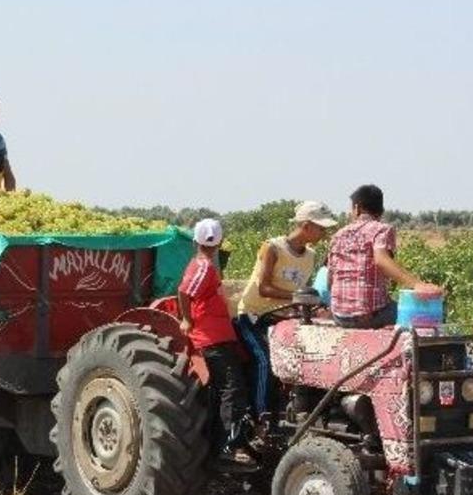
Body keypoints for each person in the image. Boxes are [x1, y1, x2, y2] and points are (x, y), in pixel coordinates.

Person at [236, 201, 338, 419]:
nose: (323, 232)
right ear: (306, 226)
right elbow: (264, 288)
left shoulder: (310, 256)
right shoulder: (272, 247)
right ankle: (262, 417)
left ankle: (303, 412)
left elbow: (303, 289)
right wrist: (297, 298)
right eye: (320, 227)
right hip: (256, 316)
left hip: (285, 319)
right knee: (265, 360)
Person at [179, 219, 256, 471]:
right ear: (220, 242)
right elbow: (184, 292)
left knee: (225, 388)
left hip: (218, 335)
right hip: (210, 337)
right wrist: (187, 320)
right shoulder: (204, 266)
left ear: (195, 241)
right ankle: (228, 448)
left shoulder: (204, 265)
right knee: (232, 389)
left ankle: (227, 442)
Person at [327, 184, 442, 328]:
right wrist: (417, 284)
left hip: (339, 314)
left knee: (388, 303)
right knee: (422, 315)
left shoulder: (338, 235)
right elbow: (381, 260)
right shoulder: (381, 230)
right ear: (381, 210)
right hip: (368, 316)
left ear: (357, 209)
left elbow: (330, 277)